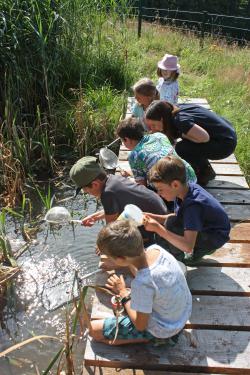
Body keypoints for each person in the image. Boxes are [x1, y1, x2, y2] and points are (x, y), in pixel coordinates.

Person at [89, 220, 192, 345]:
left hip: (166, 330)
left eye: (110, 257)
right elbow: (145, 272)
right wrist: (123, 264)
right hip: (181, 315)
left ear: (121, 259)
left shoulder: (142, 283)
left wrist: (123, 294)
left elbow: (140, 325)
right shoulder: (156, 249)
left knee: (93, 329)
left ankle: (154, 339)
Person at [143, 156, 231, 265]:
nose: (159, 194)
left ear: (175, 184)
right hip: (205, 228)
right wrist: (152, 217)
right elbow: (177, 216)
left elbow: (188, 246)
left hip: (213, 237)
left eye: (160, 189)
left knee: (171, 225)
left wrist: (158, 228)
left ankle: (180, 262)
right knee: (171, 222)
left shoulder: (193, 206)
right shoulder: (184, 190)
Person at [69, 156, 167, 245]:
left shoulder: (107, 194)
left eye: (85, 189)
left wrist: (101, 245)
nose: (86, 192)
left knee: (117, 242)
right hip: (161, 210)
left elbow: (111, 229)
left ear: (95, 184)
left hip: (158, 230)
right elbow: (115, 209)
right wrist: (95, 217)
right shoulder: (113, 179)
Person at [145, 100, 237, 186]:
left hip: (225, 144)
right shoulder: (172, 110)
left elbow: (204, 138)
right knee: (187, 143)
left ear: (162, 119)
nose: (152, 129)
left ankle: (204, 173)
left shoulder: (180, 120)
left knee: (182, 148)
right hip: (227, 132)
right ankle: (204, 167)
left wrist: (182, 134)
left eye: (154, 125)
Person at [116, 117, 196, 187]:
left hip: (172, 191)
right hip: (191, 178)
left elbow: (142, 187)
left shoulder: (134, 156)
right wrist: (132, 173)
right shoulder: (159, 135)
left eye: (122, 140)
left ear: (127, 139)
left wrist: (129, 179)